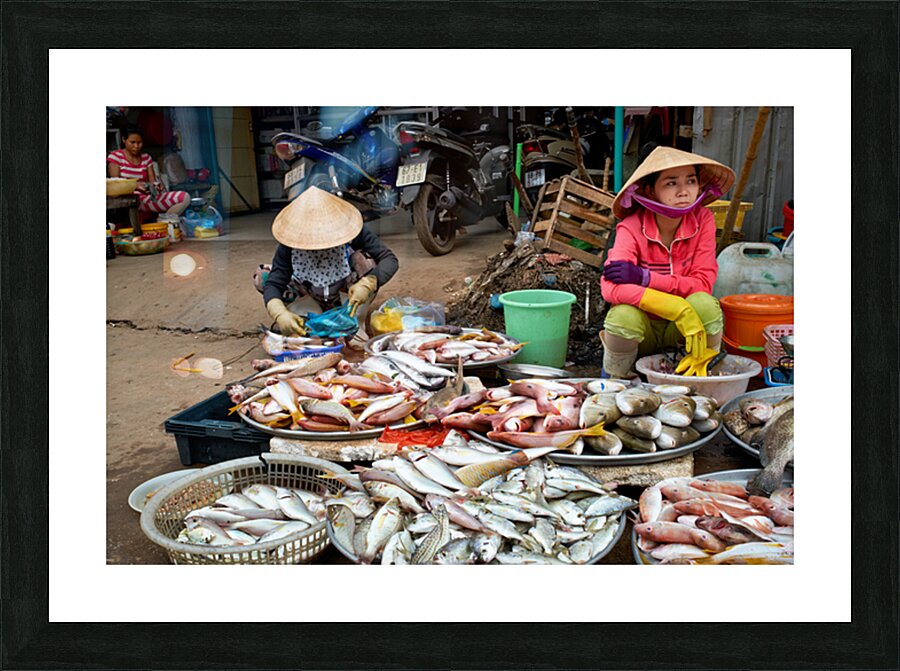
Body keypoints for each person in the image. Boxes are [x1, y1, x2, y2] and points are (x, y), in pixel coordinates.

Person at [599, 145, 736, 378]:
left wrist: (646, 278)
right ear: (650, 191)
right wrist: (674, 306)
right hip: (644, 332)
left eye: (691, 181)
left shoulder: (703, 220)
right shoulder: (631, 227)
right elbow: (609, 288)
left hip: (685, 333)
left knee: (705, 304)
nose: (684, 191)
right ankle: (618, 381)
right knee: (622, 316)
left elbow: (702, 283)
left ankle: (704, 373)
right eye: (671, 183)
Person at [256, 186, 398, 341]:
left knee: (365, 260)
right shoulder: (289, 244)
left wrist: (368, 283)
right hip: (309, 294)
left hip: (347, 296)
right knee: (263, 275)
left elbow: (389, 259)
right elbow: (274, 283)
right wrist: (279, 313)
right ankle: (305, 315)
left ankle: (354, 319)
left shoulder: (352, 230)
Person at [107, 125, 190, 216]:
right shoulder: (115, 157)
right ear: (124, 140)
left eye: (139, 142)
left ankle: (164, 222)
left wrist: (157, 186)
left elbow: (152, 182)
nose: (136, 146)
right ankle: (165, 221)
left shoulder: (146, 158)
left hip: (147, 198)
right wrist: (135, 186)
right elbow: (115, 185)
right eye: (132, 142)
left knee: (185, 197)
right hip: (129, 200)